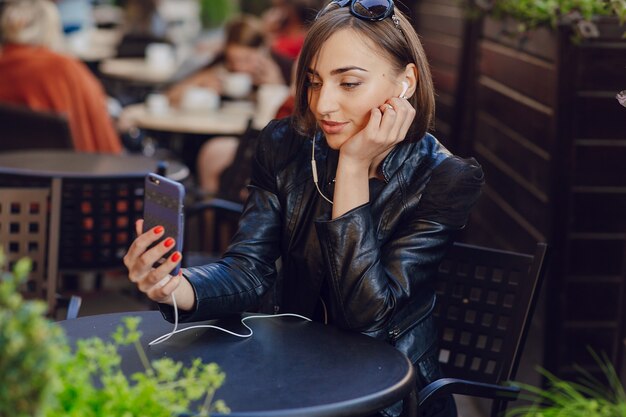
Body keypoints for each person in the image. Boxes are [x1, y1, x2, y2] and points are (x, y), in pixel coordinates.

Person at [124, 1, 484, 416]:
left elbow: (366, 321)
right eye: (313, 82)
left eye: (348, 83)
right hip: (288, 372)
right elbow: (249, 268)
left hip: (388, 398)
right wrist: (176, 287)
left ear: (405, 83)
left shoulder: (446, 178)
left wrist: (351, 167)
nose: (322, 105)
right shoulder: (284, 145)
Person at [0, 0, 122, 153]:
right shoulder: (63, 69)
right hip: (67, 167)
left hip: (11, 169)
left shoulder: (4, 65)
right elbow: (95, 123)